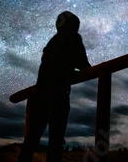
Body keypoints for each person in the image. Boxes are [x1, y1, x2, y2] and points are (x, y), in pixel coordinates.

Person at [18, 11, 91, 162]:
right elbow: (82, 64)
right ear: (74, 25)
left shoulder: (52, 42)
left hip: (40, 93)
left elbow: (52, 65)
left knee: (32, 136)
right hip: (58, 92)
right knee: (56, 138)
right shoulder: (73, 37)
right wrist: (84, 72)